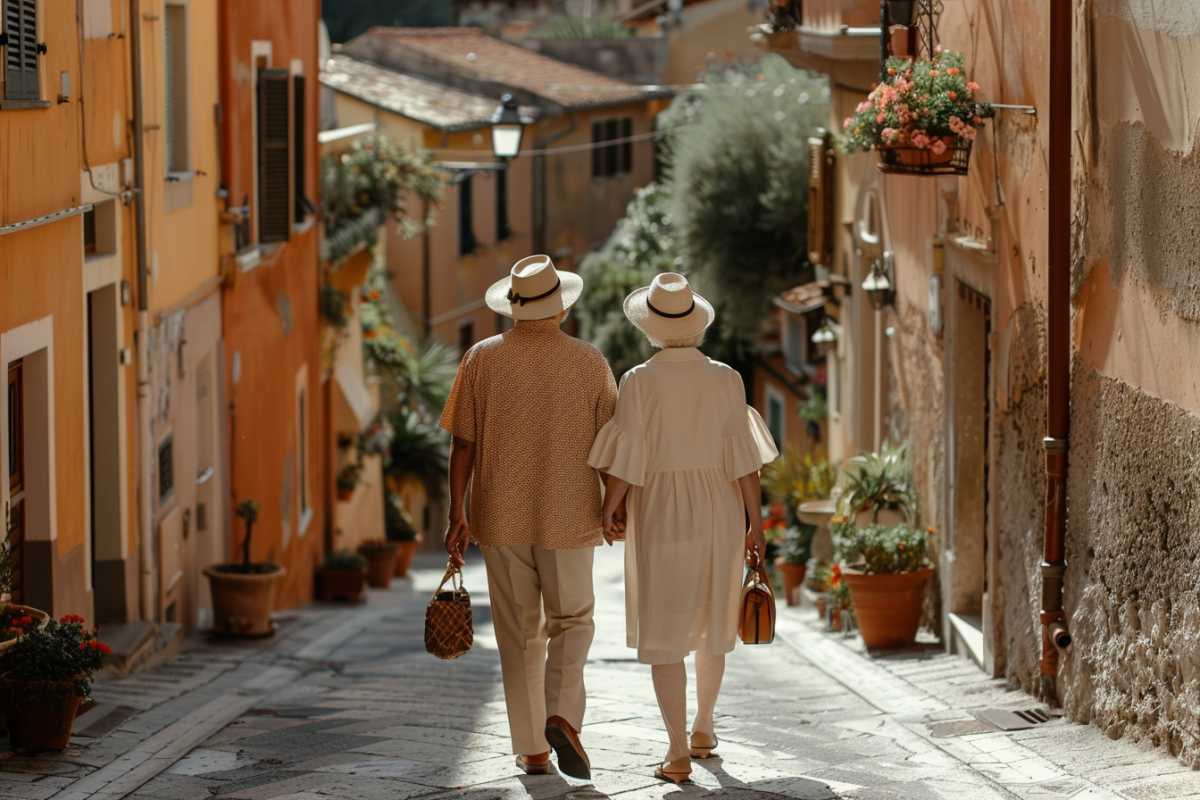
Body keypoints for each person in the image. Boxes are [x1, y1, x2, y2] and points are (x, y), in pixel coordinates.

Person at [588, 272, 778, 784]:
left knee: (665, 626)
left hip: (661, 510)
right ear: (696, 323)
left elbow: (629, 458)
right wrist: (753, 525)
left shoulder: (638, 380)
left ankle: (675, 751)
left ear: (650, 325)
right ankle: (703, 726)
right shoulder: (727, 378)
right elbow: (745, 463)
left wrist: (611, 508)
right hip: (720, 506)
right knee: (713, 618)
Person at [440, 254, 617, 780]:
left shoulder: (481, 358)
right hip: (570, 512)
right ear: (560, 305)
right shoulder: (589, 362)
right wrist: (615, 504)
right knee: (573, 620)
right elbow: (611, 445)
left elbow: (462, 444)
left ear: (513, 306)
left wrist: (457, 512)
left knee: (519, 633)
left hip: (499, 514)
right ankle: (562, 711)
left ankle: (533, 751)